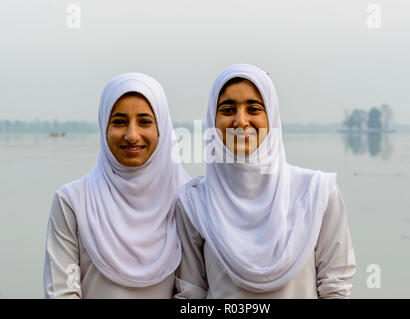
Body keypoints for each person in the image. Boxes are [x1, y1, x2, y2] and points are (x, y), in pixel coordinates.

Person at [174, 64, 356, 299]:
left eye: (254, 108)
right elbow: (190, 295)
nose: (241, 121)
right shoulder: (194, 202)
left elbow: (335, 288)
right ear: (212, 119)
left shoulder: (317, 193)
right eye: (228, 109)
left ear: (272, 117)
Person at [43, 73, 190, 298]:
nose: (132, 135)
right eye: (119, 122)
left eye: (144, 122)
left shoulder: (187, 201)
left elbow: (193, 292)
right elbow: (61, 292)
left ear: (161, 129)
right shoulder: (72, 201)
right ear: (104, 127)